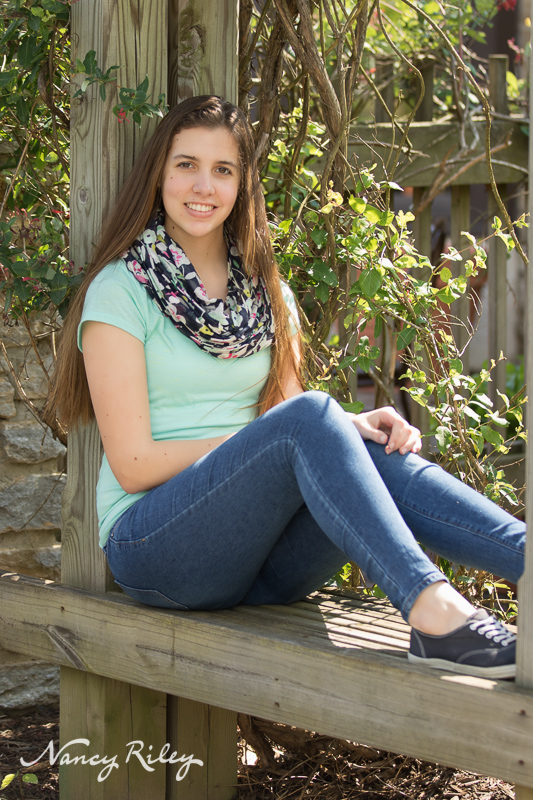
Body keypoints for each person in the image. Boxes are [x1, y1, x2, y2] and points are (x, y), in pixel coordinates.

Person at [50, 95, 525, 680]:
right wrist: (284, 432)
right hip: (158, 549)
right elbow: (134, 464)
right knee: (315, 418)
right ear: (158, 173)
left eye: (223, 170)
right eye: (186, 165)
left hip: (264, 564)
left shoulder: (266, 291)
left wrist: (347, 430)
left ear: (243, 183)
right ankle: (435, 612)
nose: (204, 185)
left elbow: (289, 417)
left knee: (368, 444)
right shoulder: (119, 292)